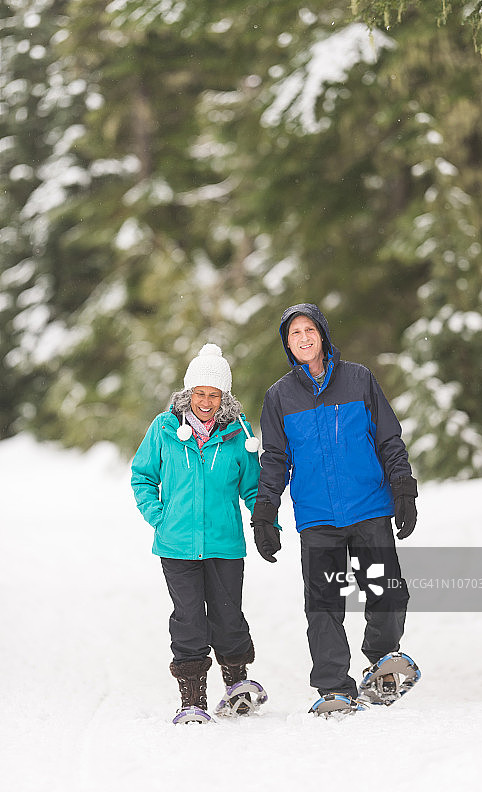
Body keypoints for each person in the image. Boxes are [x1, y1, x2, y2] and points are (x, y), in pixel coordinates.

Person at [250, 303, 418, 707]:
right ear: (288, 344)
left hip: (369, 507)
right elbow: (275, 459)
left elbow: (388, 439)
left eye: (310, 329)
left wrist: (403, 487)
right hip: (317, 516)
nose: (304, 337)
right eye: (295, 333)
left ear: (322, 334)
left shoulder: (359, 379)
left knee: (387, 593)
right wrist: (264, 513)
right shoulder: (279, 397)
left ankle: (381, 661)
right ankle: (334, 687)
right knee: (324, 604)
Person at [131, 343, 265, 723]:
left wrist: (264, 521)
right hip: (176, 545)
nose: (206, 401)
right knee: (189, 619)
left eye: (214, 394)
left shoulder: (239, 433)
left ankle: (237, 684)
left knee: (227, 616)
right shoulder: (165, 427)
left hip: (225, 544)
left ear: (224, 396)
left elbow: (252, 488)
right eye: (200, 393)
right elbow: (142, 475)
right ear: (188, 393)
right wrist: (160, 516)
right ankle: (193, 698)